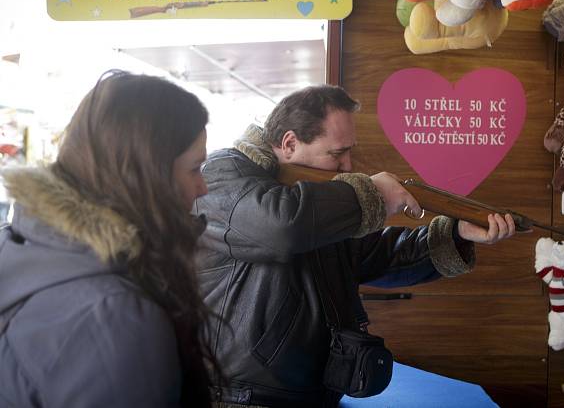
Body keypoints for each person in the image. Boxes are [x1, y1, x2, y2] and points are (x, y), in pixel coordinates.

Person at [196, 85, 515, 408]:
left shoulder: (315, 202)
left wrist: (457, 233)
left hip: (312, 394)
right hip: (242, 398)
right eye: (336, 154)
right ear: (290, 144)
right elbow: (282, 226)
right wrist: (372, 195)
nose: (348, 166)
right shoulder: (223, 174)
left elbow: (379, 255)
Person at [0, 71, 218, 408]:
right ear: (144, 175)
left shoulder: (20, 245)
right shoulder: (115, 318)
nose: (203, 187)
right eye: (194, 168)